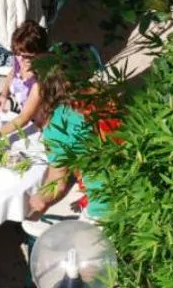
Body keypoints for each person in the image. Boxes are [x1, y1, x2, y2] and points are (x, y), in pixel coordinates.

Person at [25, 65, 111, 222]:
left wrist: (38, 199)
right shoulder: (99, 97)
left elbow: (58, 184)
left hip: (106, 207)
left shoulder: (58, 126)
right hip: (137, 189)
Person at [0, 22, 51, 144]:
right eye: (19, 55)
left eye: (29, 56)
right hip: (23, 116)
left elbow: (24, 118)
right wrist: (4, 94)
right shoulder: (21, 57)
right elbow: (13, 72)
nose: (23, 60)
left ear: (42, 53)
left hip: (41, 127)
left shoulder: (40, 81)